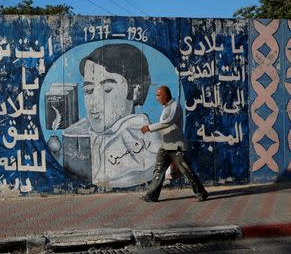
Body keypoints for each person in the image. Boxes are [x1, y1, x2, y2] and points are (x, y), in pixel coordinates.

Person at [62, 43, 160, 188]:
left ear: (135, 91)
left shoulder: (146, 145)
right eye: (88, 90)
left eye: (107, 89)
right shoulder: (78, 132)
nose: (93, 103)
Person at [140, 86, 208, 202]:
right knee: (158, 170)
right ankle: (152, 195)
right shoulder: (166, 107)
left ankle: (201, 192)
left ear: (166, 95)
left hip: (176, 147)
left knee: (186, 170)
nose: (157, 98)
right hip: (165, 145)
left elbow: (168, 123)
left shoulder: (175, 106)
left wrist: (149, 128)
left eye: (158, 95)